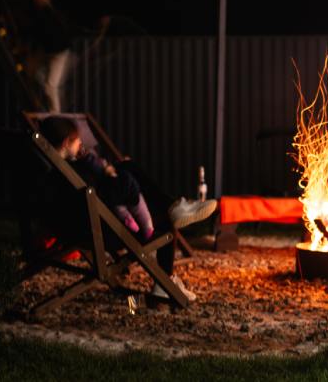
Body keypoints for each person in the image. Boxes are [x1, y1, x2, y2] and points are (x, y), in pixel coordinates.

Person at [39, 116, 218, 301]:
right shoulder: (71, 172)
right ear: (67, 142)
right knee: (161, 214)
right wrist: (116, 176)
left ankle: (174, 208)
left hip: (84, 223)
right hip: (98, 230)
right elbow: (95, 194)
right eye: (78, 141)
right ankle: (165, 282)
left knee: (127, 168)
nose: (81, 144)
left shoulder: (51, 174)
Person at [24, 0, 77, 113]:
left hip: (60, 53)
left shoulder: (51, 10)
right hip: (48, 52)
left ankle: (56, 115)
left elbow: (59, 34)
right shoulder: (36, 11)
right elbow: (35, 34)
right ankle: (46, 103)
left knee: (51, 86)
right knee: (33, 73)